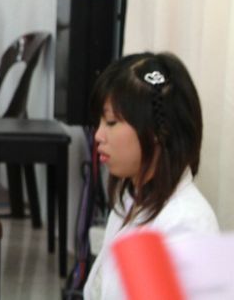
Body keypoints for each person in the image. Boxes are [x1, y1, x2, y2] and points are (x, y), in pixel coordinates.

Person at [83, 52, 219, 300]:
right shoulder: (131, 200)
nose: (98, 136)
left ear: (158, 131)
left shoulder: (188, 225)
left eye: (111, 122)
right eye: (99, 122)